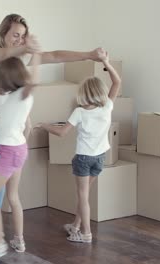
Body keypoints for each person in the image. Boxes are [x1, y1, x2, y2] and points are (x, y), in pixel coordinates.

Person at [0, 13, 106, 243]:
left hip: (2, 122)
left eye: (23, 36)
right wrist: (24, 49)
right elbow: (2, 54)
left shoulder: (20, 60)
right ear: (3, 34)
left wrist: (89, 55)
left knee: (1, 173)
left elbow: (54, 56)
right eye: (15, 35)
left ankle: (1, 229)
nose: (19, 40)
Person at [37, 52, 121, 243]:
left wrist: (43, 125)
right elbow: (117, 82)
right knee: (85, 196)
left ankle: (86, 234)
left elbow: (61, 132)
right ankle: (75, 226)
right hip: (100, 158)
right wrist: (107, 62)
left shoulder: (80, 112)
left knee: (83, 197)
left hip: (83, 159)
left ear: (83, 93)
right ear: (100, 91)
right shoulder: (107, 106)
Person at [0, 44, 41, 261]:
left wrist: (37, 54)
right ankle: (19, 240)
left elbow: (33, 81)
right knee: (13, 196)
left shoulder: (22, 95)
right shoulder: (16, 97)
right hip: (18, 149)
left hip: (11, 152)